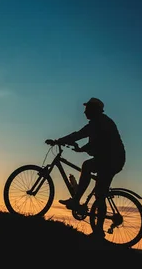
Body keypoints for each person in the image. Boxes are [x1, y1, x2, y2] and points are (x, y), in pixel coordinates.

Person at [45, 97, 126, 239]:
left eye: (87, 109)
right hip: (108, 159)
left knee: (99, 192)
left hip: (111, 160)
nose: (84, 112)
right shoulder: (98, 123)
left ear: (94, 110)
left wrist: (60, 141)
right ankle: (77, 201)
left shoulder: (100, 123)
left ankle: (98, 231)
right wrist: (78, 148)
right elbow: (87, 139)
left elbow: (82, 136)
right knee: (88, 168)